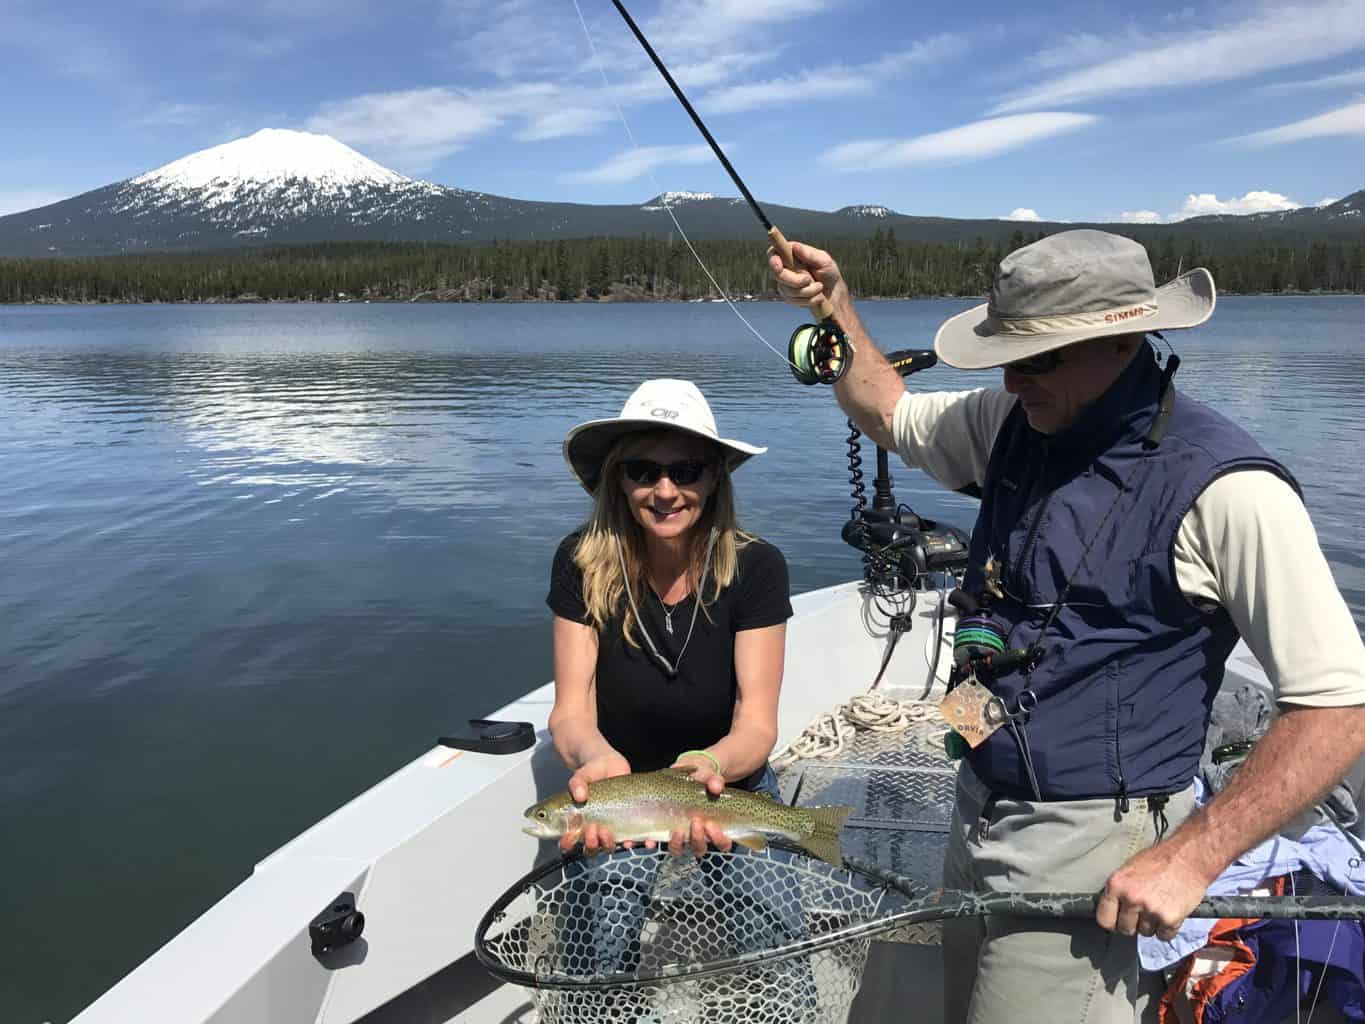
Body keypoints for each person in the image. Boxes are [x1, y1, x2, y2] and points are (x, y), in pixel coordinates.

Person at [769, 229, 1365, 1022]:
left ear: (1120, 340)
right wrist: (834, 305)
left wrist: (1189, 858)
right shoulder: (1012, 420)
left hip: (1096, 841)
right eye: (1004, 356)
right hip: (980, 796)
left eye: (1038, 357)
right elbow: (888, 410)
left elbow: (1337, 704)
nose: (1013, 378)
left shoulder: (1228, 490)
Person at [547, 377, 793, 858]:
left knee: (775, 923)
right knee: (606, 925)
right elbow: (571, 713)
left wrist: (711, 763)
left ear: (715, 476)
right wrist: (597, 759)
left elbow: (757, 725)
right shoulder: (578, 560)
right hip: (617, 791)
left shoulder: (758, 566)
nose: (665, 492)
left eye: (686, 471)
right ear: (618, 478)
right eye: (642, 471)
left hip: (728, 785)